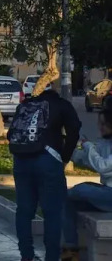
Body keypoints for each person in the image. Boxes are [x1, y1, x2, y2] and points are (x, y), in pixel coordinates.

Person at [8, 88, 81, 261]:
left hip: (21, 160)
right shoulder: (62, 105)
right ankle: (51, 257)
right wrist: (64, 157)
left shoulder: (26, 105)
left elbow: (11, 134)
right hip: (48, 160)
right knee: (52, 213)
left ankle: (26, 255)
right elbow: (74, 132)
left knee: (24, 211)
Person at [61, 109, 112, 261]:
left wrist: (89, 146)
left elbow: (102, 166)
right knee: (67, 201)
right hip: (106, 192)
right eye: (99, 123)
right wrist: (67, 148)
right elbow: (85, 160)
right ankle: (71, 252)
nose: (100, 127)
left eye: (104, 124)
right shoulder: (105, 143)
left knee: (80, 190)